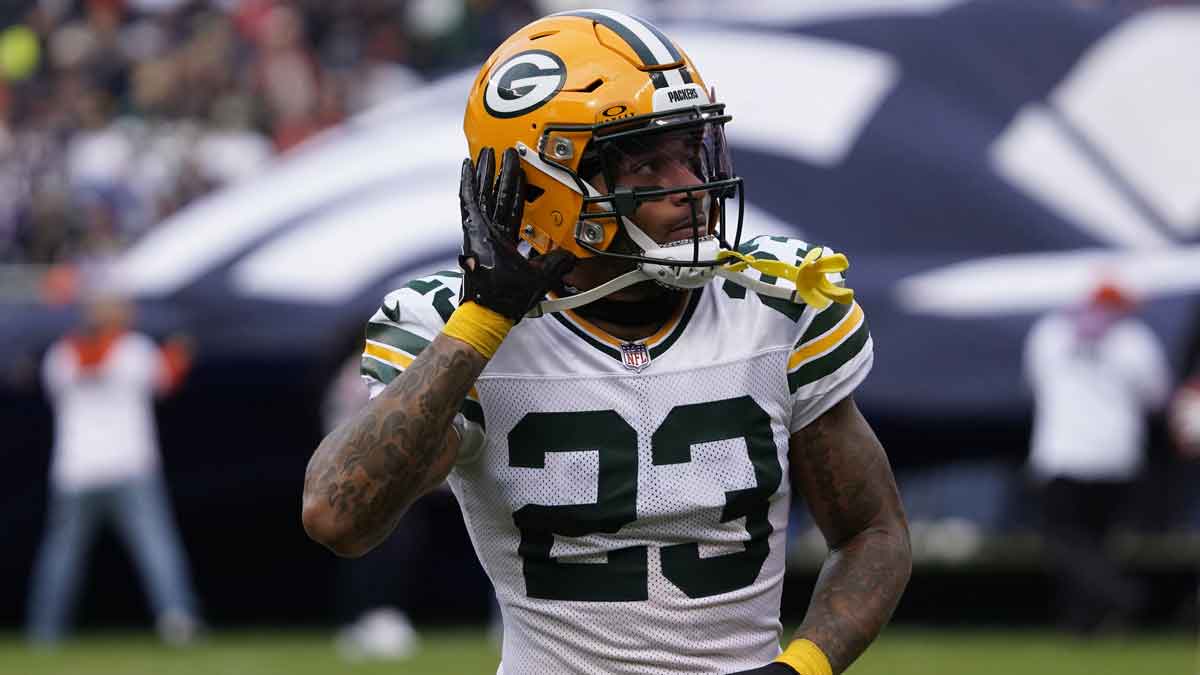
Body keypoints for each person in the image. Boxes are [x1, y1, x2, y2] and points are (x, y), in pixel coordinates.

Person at [303, 10, 910, 674]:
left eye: (692, 152)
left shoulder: (774, 303)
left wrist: (803, 668)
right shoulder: (455, 325)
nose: (690, 190)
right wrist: (482, 322)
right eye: (649, 164)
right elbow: (338, 514)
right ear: (547, 185)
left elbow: (874, 533)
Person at [29, 294, 201, 646]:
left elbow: (60, 389)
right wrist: (179, 353)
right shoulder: (135, 350)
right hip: (128, 465)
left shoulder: (60, 355)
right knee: (155, 547)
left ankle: (45, 632)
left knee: (62, 555)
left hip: (75, 469)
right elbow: (166, 380)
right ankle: (177, 622)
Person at [1023, 280, 1170, 633]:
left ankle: (1117, 596)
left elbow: (1034, 384)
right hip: (1116, 457)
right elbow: (1156, 397)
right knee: (1095, 541)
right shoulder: (1136, 341)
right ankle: (1083, 620)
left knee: (1065, 540)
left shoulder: (1050, 334)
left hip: (1063, 454)